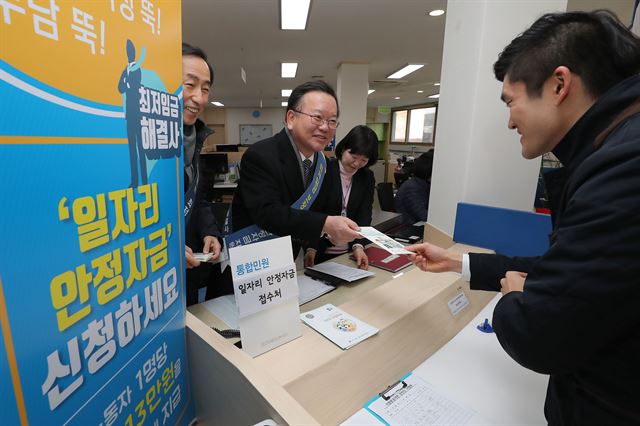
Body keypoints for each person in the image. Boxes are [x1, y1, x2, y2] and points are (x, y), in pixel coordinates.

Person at [406, 11, 640, 424]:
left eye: (512, 102)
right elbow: (568, 270)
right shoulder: (612, 147)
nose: (510, 120)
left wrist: (515, 297)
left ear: (559, 85)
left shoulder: (623, 167)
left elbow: (541, 334)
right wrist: (458, 262)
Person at [231, 80, 361, 256]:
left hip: (288, 256)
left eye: (332, 121)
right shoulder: (260, 155)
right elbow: (268, 213)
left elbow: (318, 211)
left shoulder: (323, 163)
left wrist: (328, 235)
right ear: (291, 118)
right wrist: (324, 224)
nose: (325, 127)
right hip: (253, 253)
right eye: (317, 117)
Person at [181, 43, 225, 305]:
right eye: (190, 84)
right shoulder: (131, 143)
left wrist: (210, 232)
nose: (200, 98)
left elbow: (197, 200)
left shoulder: (192, 139)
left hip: (186, 272)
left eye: (206, 88)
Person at [304, 125, 378, 269]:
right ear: (344, 148)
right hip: (320, 249)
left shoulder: (367, 177)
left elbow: (364, 213)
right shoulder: (323, 170)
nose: (357, 163)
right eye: (354, 156)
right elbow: (313, 211)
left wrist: (358, 246)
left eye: (364, 160)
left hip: (350, 252)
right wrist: (311, 248)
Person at [394, 150, 433, 225]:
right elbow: (423, 216)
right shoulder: (413, 187)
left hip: (416, 224)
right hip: (406, 227)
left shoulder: (423, 184)